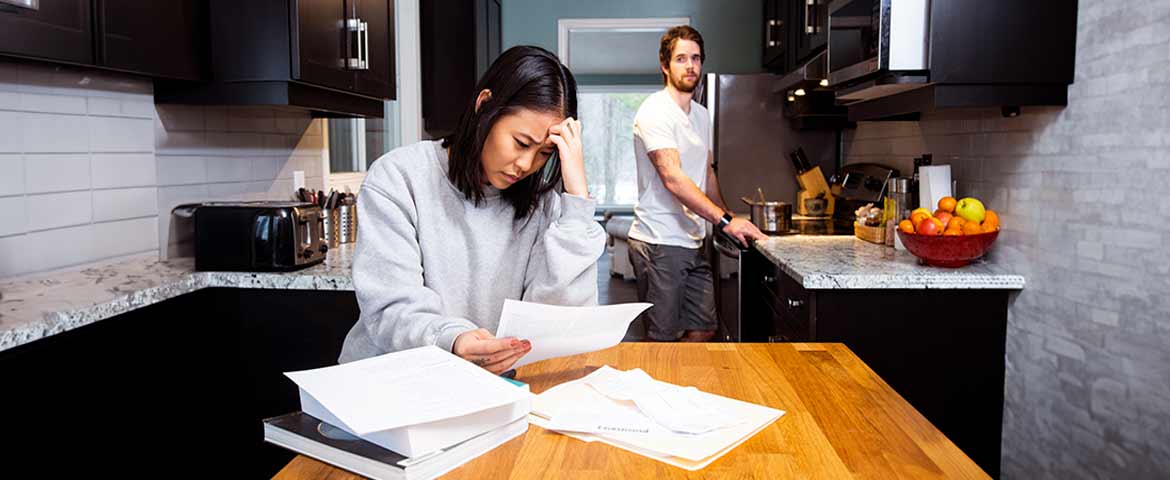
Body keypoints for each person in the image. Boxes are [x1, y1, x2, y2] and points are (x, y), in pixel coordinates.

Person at [339, 46, 605, 373]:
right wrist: (453, 339)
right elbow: (391, 309)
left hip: (486, 388)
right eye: (521, 142)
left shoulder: (543, 204)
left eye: (545, 153)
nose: (526, 164)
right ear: (484, 105)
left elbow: (558, 321)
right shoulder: (399, 177)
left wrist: (577, 200)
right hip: (392, 380)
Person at [628, 26, 768, 342]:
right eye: (681, 58)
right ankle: (661, 389)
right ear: (665, 66)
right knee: (662, 340)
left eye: (695, 58)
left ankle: (681, 386)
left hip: (691, 239)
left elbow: (705, 173)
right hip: (660, 241)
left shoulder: (701, 115)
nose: (690, 65)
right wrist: (725, 221)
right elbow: (673, 178)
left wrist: (727, 216)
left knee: (704, 328)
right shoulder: (655, 111)